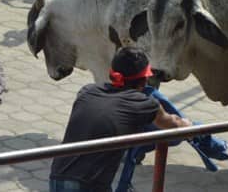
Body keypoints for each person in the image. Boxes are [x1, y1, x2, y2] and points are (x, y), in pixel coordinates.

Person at [49, 47, 190, 191]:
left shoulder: (87, 92)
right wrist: (187, 125)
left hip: (57, 176)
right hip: (88, 185)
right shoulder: (143, 103)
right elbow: (171, 124)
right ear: (144, 80)